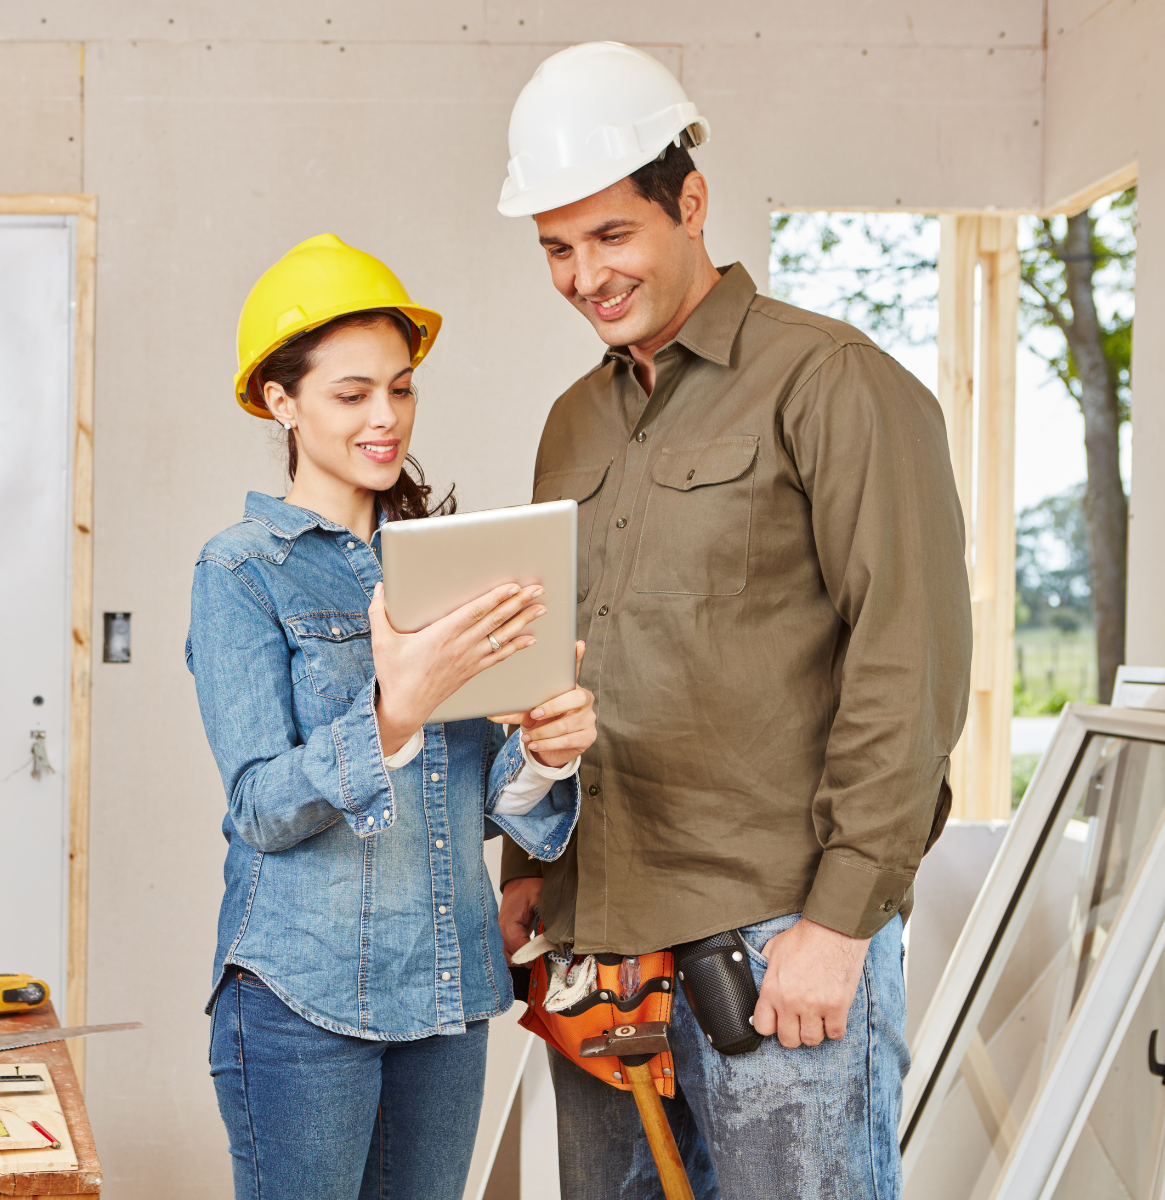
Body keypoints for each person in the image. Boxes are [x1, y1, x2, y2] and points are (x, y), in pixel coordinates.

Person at [491, 43, 972, 1199]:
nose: (583, 277)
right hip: (601, 947)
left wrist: (840, 927)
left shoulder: (832, 381)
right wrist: (526, 865)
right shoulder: (572, 424)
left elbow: (908, 662)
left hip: (773, 943)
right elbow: (565, 662)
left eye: (612, 237)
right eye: (557, 248)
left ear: (689, 204)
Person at [187, 234, 598, 1200]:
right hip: (303, 999)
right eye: (352, 392)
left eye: (402, 389)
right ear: (280, 402)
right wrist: (391, 713)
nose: (386, 417)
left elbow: (476, 798)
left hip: (447, 995)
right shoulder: (242, 570)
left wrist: (544, 752)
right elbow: (259, 808)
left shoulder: (442, 563)